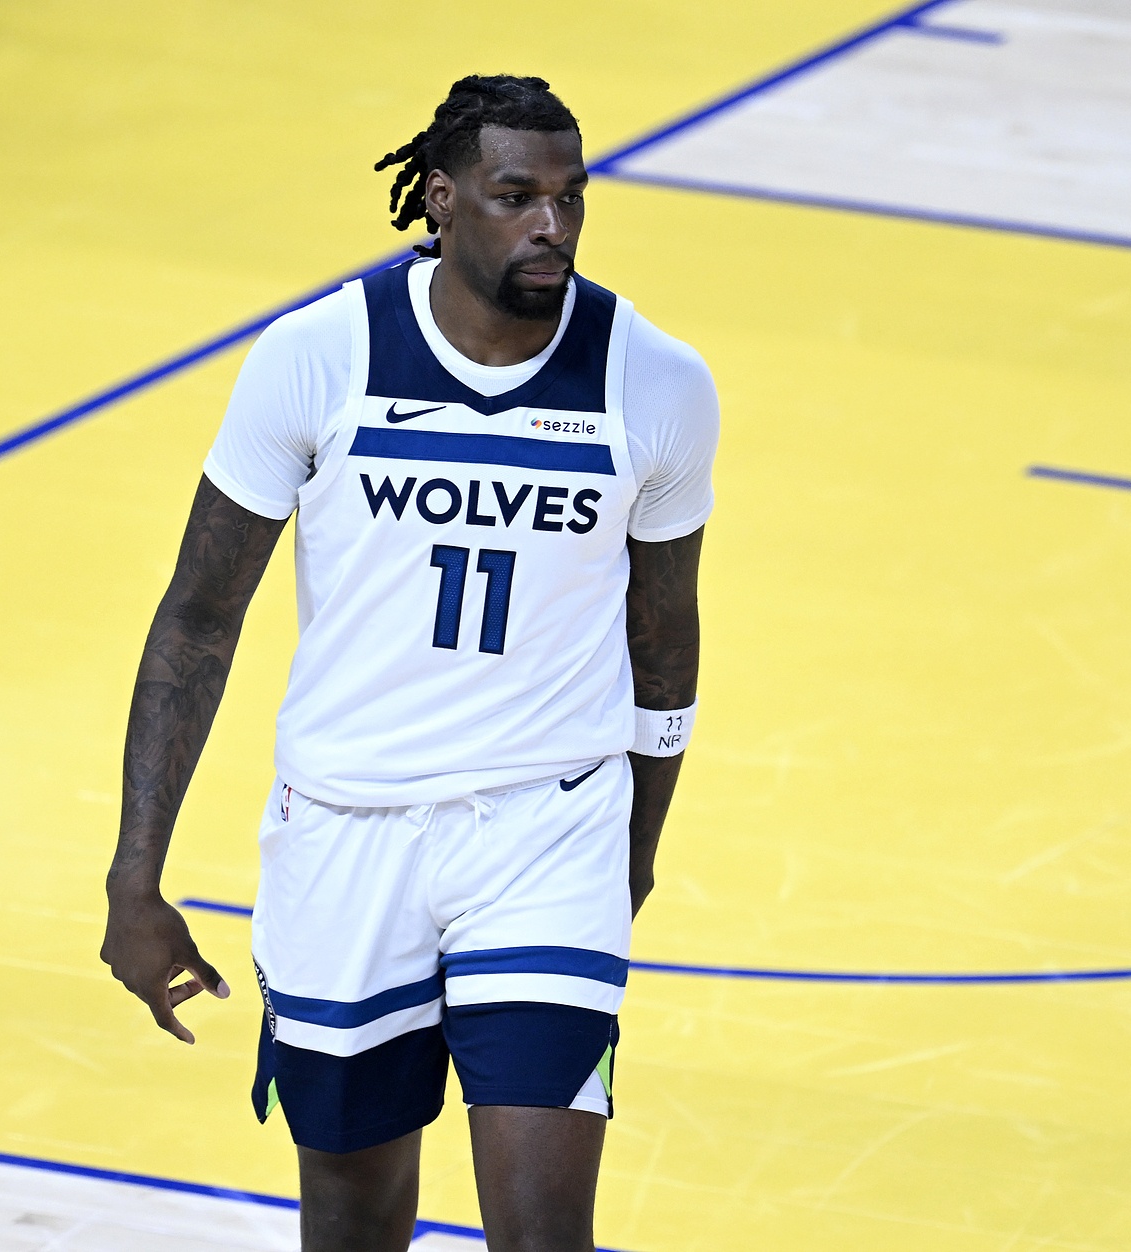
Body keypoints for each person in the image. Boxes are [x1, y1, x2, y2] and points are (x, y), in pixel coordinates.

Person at [101, 74, 718, 1252]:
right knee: (350, 1217)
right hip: (344, 829)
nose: (551, 225)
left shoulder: (654, 380)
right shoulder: (317, 356)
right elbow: (197, 618)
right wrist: (136, 877)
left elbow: (664, 643)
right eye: (516, 196)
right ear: (440, 198)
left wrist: (631, 850)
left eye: (571, 197)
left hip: (545, 829)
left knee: (543, 1233)